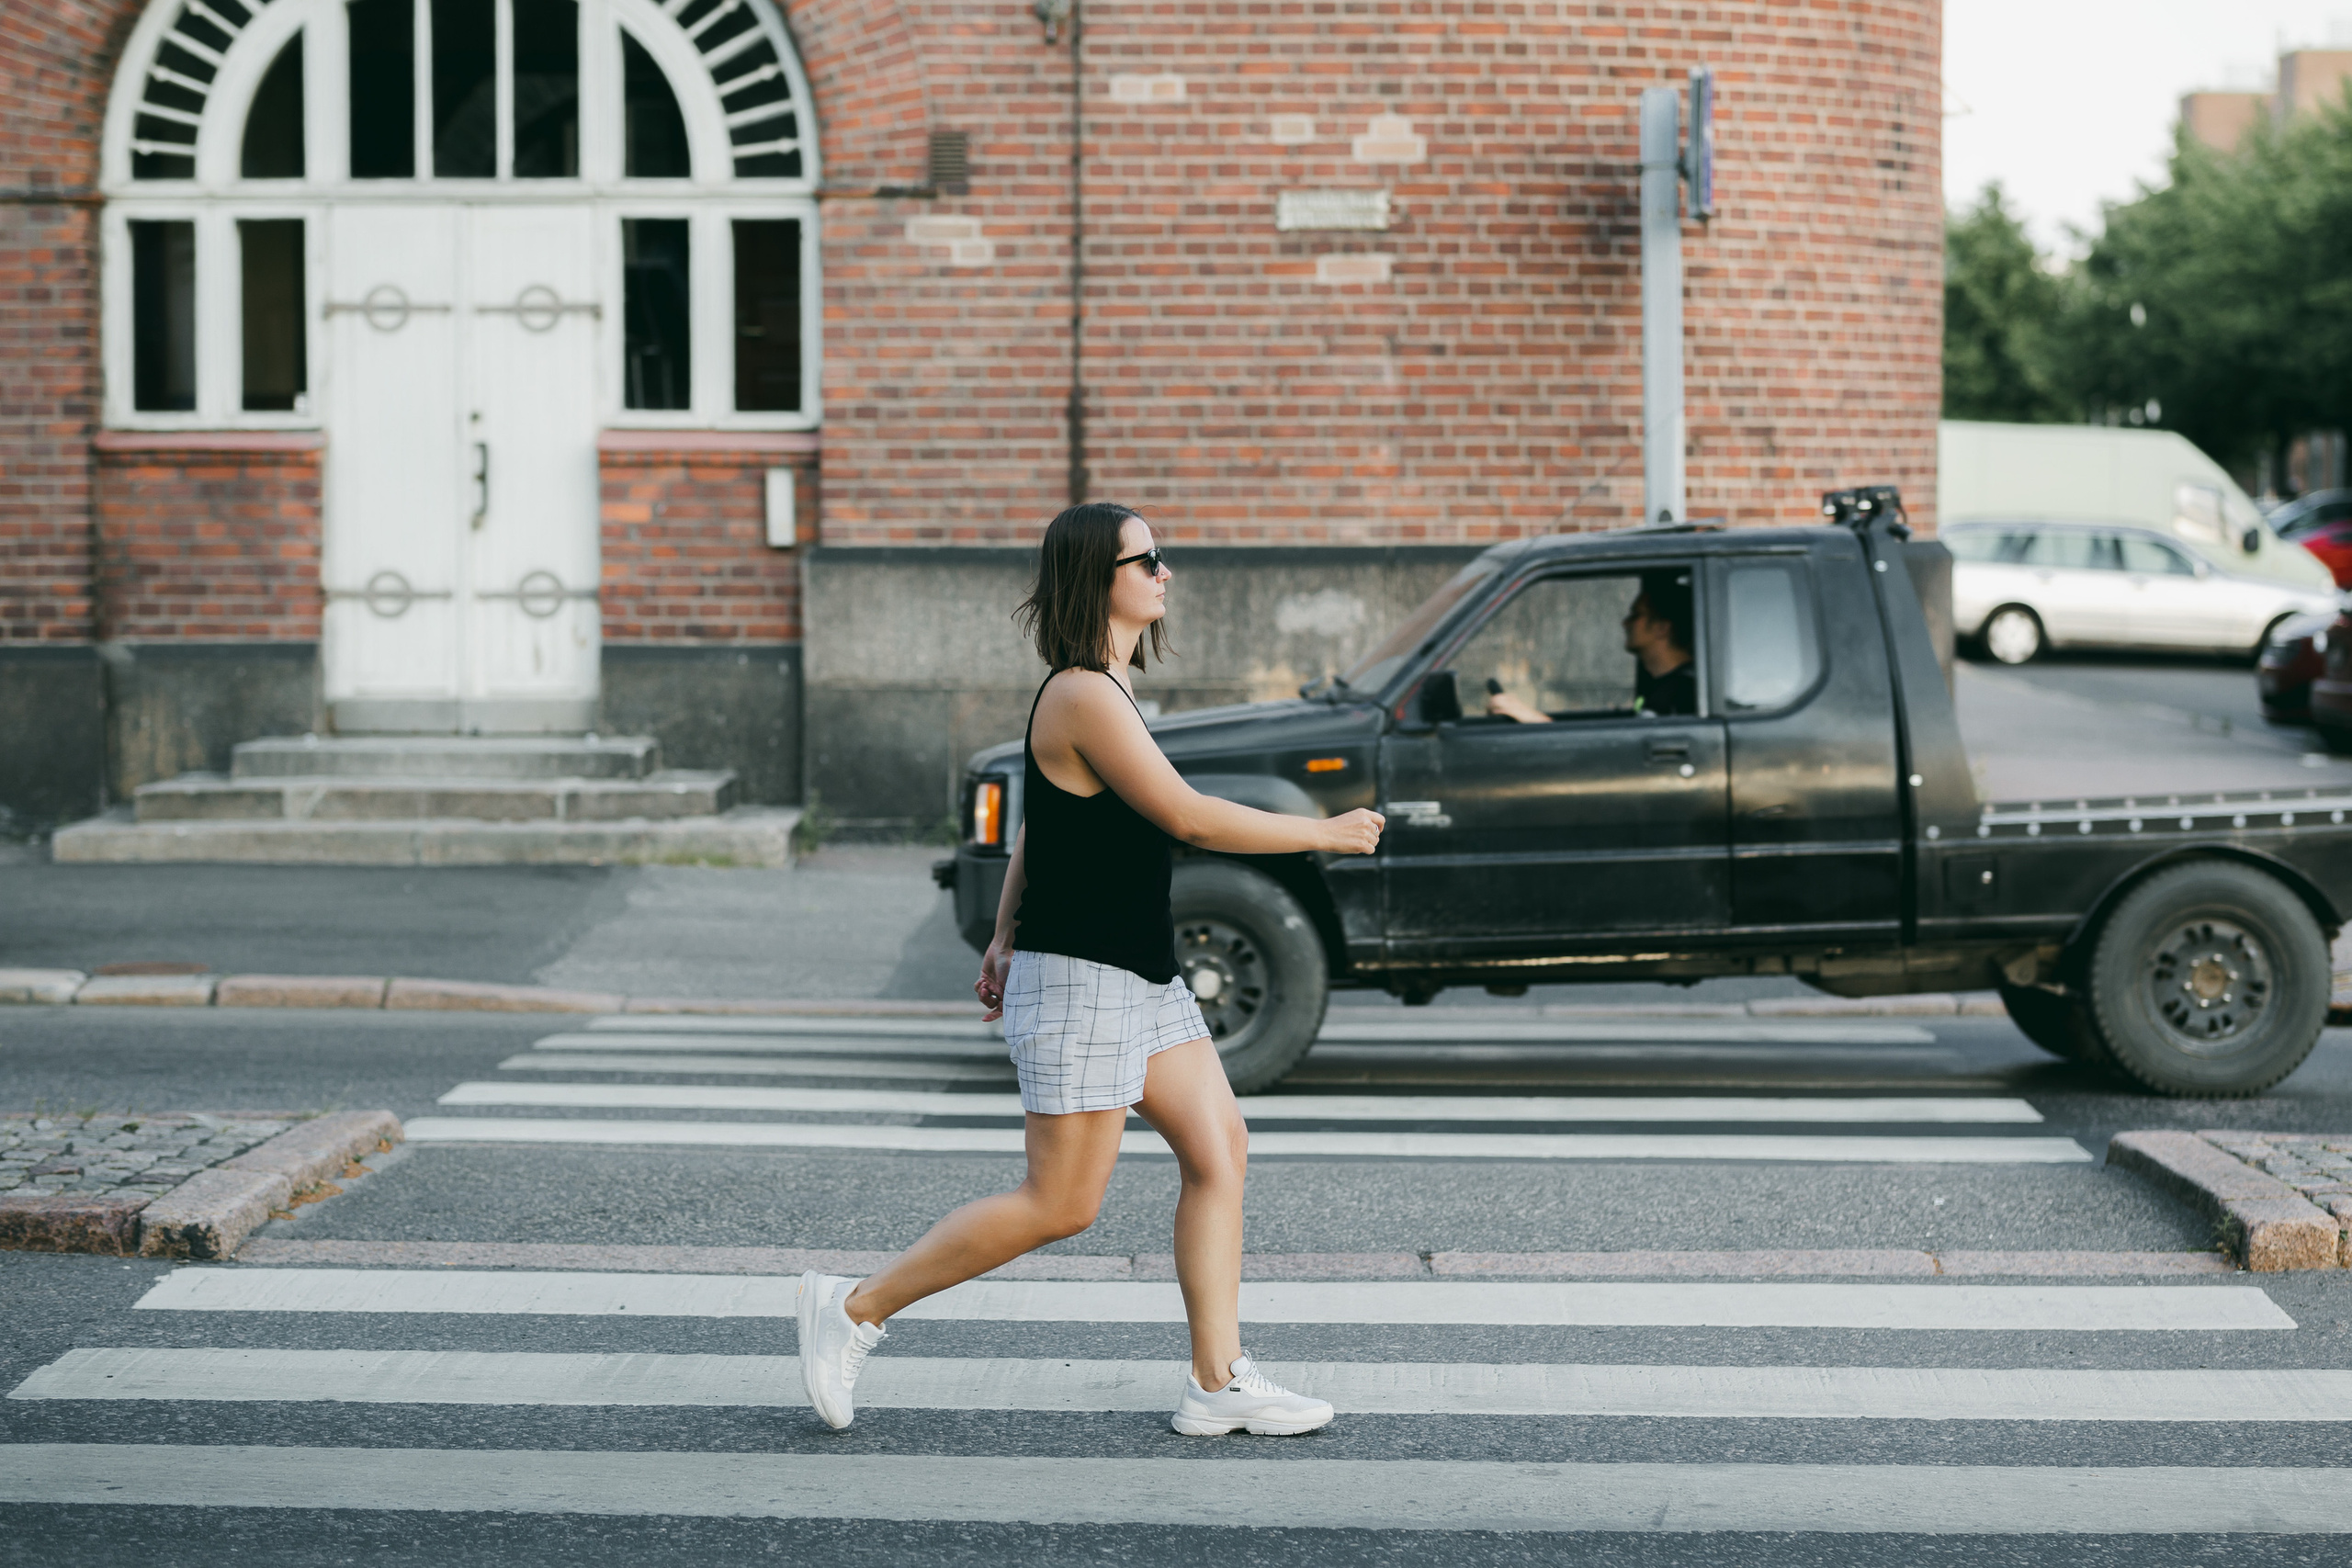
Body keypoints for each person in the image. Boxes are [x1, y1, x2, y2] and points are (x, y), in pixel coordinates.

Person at [795, 502, 1387, 1438]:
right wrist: (1322, 831)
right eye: (1145, 559)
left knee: (1218, 1149)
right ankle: (854, 1309)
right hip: (1083, 978)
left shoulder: (1102, 688)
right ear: (1096, 579)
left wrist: (1000, 931)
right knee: (1060, 1204)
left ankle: (1217, 1380)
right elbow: (1185, 816)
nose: (1165, 572)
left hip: (1135, 975)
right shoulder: (1080, 693)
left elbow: (1044, 822)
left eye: (1161, 557)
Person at [1487, 570, 1697, 722]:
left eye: (1636, 615)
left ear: (1662, 628)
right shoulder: (1659, 687)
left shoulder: (1684, 695)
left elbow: (1619, 757)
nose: (1625, 623)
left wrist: (1533, 719)